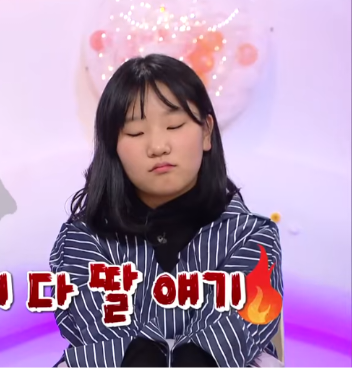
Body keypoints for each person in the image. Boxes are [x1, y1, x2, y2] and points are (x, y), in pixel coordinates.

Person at [50, 54, 283, 368]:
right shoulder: (83, 239)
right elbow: (101, 336)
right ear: (112, 146)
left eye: (174, 125)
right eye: (135, 132)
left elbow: (235, 331)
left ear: (206, 132)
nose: (158, 146)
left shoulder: (250, 236)